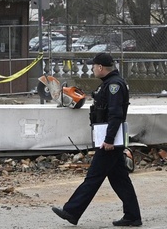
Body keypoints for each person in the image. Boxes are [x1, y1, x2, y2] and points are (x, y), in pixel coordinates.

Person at [52, 52, 142, 227]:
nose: (92, 69)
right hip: (109, 139)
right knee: (120, 179)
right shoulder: (109, 84)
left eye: (93, 66)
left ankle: (72, 211)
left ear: (100, 67)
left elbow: (115, 115)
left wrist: (109, 140)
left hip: (109, 141)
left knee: (93, 177)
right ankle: (132, 216)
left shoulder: (114, 85)